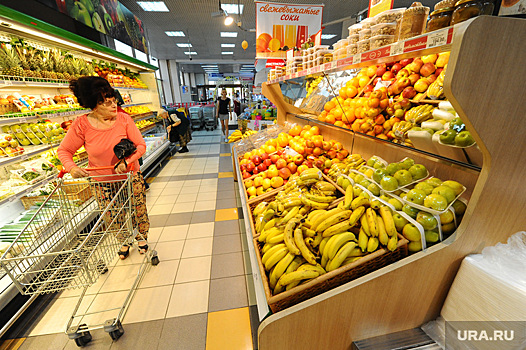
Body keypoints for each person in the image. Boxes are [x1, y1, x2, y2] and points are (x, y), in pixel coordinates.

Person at [57, 76, 149, 260]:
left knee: (137, 209)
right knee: (112, 216)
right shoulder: (81, 125)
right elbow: (64, 150)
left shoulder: (124, 119)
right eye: (106, 103)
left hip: (129, 176)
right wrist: (71, 168)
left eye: (113, 100)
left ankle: (141, 237)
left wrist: (127, 162)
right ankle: (123, 240)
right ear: (94, 104)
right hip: (101, 182)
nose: (113, 105)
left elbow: (140, 146)